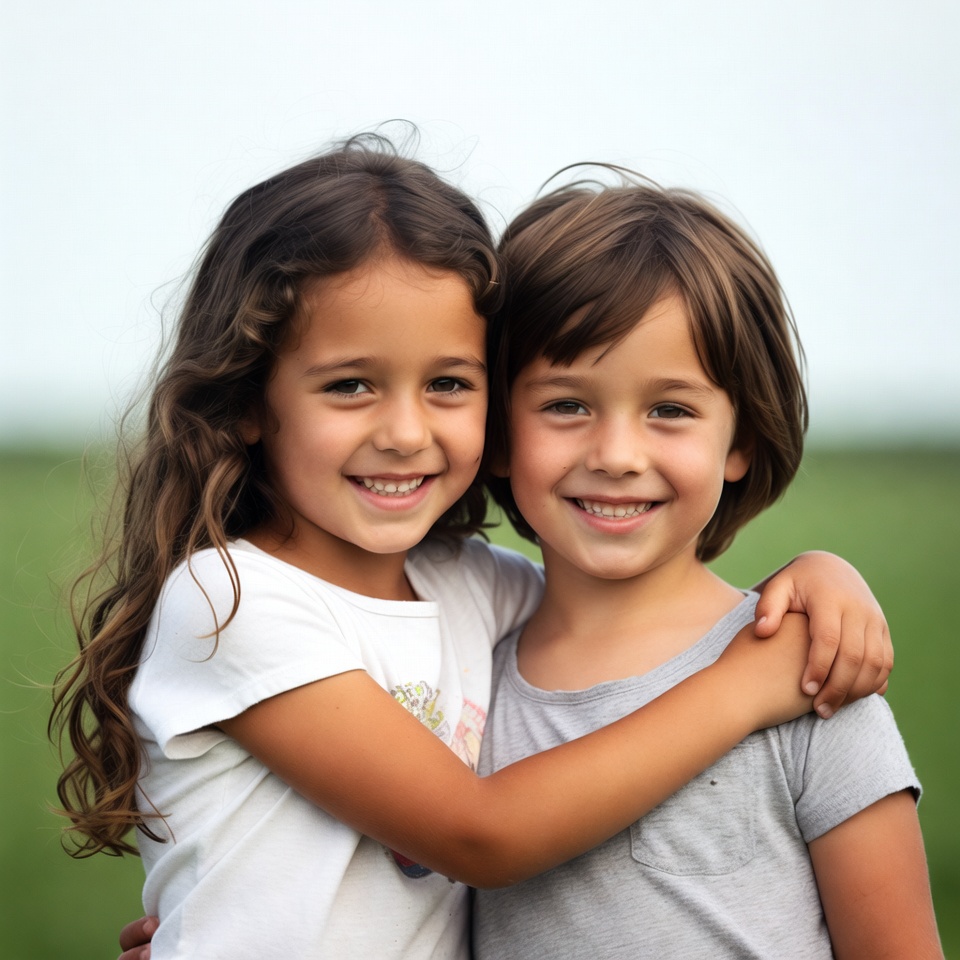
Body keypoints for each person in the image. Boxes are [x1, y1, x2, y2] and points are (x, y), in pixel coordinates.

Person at [50, 136, 892, 960]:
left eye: (448, 383)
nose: (406, 432)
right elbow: (480, 834)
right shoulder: (229, 600)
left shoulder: (471, 588)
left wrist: (819, 576)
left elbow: (622, 610)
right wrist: (743, 688)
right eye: (351, 385)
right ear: (245, 398)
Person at [474, 175, 943, 959]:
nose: (617, 455)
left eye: (670, 410)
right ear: (496, 430)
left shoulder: (813, 675)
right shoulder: (461, 673)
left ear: (740, 442)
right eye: (566, 404)